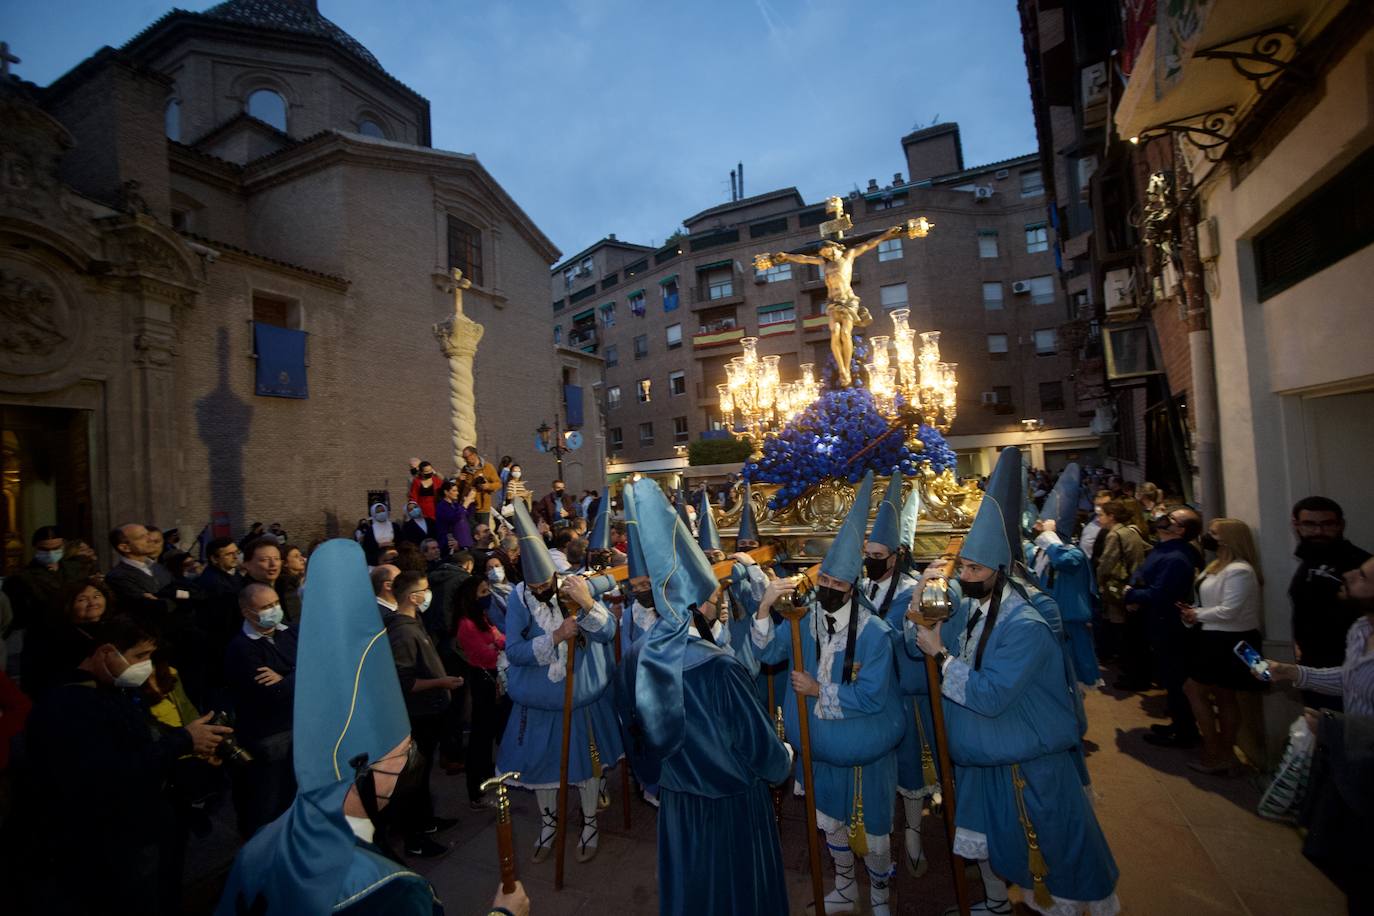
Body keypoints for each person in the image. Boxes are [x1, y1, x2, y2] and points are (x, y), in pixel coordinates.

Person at [215, 539, 528, 915]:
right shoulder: (390, 890)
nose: (403, 768)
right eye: (398, 757)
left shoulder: (259, 847)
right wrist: (505, 913)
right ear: (360, 770)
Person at [912, 485, 1120, 916]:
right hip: (996, 759)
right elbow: (921, 632)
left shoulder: (1022, 624)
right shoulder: (978, 608)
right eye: (962, 567)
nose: (963, 576)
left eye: (972, 569)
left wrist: (942, 655)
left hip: (1031, 765)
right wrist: (921, 593)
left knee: (1052, 859)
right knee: (1005, 851)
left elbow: (989, 695)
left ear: (1000, 572)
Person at [615, 478, 793, 916]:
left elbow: (635, 737)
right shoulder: (717, 667)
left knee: (693, 894)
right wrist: (784, 755)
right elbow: (762, 751)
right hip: (731, 809)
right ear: (695, 604)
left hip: (678, 808)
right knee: (735, 894)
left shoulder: (636, 654)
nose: (718, 601)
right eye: (712, 595)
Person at [751, 471, 906, 916]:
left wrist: (820, 689)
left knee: (873, 829)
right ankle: (844, 886)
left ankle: (879, 897)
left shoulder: (875, 633)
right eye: (825, 585)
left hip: (866, 747)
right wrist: (764, 608)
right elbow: (767, 652)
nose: (829, 592)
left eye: (839, 587)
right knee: (830, 820)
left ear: (853, 587)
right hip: (819, 746)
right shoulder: (806, 618)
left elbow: (875, 695)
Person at [25, 616, 233, 915]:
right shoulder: (67, 705)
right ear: (106, 652)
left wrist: (198, 753)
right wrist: (182, 741)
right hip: (112, 843)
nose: (146, 665)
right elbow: (108, 774)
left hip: (150, 830)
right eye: (139, 656)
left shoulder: (113, 692)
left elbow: (143, 748)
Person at [496, 499, 624, 865]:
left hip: (580, 700)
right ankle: (548, 824)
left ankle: (588, 824)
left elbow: (609, 631)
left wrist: (586, 605)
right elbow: (516, 652)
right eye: (533, 585)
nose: (539, 590)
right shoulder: (520, 600)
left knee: (585, 768)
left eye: (544, 584)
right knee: (541, 769)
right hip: (537, 705)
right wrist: (553, 638)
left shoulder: (575, 588)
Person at [1261, 555, 1374, 913]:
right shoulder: (1361, 629)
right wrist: (1293, 673)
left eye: (1363, 575)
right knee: (1335, 852)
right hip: (1354, 762)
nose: (1349, 573)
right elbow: (1348, 679)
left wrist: (1330, 725)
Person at [863, 472, 936, 877]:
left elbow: (913, 644)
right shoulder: (858, 586)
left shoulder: (912, 590)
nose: (870, 561)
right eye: (867, 553)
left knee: (909, 767)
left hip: (904, 693)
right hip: (871, 691)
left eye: (878, 555)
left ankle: (913, 833)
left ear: (896, 555)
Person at [1177, 518, 1265, 774]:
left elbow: (1230, 610)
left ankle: (1218, 751)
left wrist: (1197, 615)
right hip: (1213, 636)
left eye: (1214, 533)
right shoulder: (1216, 565)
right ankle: (1220, 751)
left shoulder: (1240, 570)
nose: (1208, 536)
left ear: (1229, 538)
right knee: (1221, 695)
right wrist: (1192, 613)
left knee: (1200, 691)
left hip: (1230, 640)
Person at [385, 569, 462, 857]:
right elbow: (405, 681)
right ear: (413, 596)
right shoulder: (402, 631)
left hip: (432, 710)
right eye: (425, 589)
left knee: (424, 772)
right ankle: (414, 838)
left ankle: (427, 821)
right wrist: (442, 682)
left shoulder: (414, 622)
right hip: (419, 714)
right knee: (413, 778)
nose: (429, 594)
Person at [223, 583, 299, 837]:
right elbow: (271, 692)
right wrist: (297, 675)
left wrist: (287, 677)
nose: (274, 610)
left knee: (292, 797)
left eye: (275, 603)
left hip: (297, 726)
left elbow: (319, 668)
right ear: (247, 612)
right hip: (268, 735)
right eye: (266, 607)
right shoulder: (242, 649)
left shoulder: (291, 632)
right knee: (266, 803)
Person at [1127, 506, 1204, 748]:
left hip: (1169, 626)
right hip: (1159, 622)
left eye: (1170, 518)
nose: (1162, 518)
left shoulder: (1177, 557)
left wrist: (1132, 595)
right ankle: (1179, 725)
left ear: (1180, 529)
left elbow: (1161, 593)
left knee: (1176, 679)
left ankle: (1185, 732)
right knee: (1171, 678)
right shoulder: (1167, 550)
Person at [1288, 496, 1370, 711]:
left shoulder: (1359, 564)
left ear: (1340, 524)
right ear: (1296, 525)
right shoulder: (1308, 561)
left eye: (1327, 524)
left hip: (1349, 671)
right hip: (1312, 667)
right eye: (1310, 524)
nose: (1318, 531)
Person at [1030, 463, 1102, 686]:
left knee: (1072, 672)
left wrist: (1050, 537)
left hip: (1069, 622)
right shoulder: (1042, 551)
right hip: (1048, 619)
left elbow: (1064, 561)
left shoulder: (1073, 554)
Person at [454, 575, 510, 808]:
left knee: (492, 733)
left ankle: (493, 778)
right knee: (481, 738)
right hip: (483, 680)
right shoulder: (466, 624)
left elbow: (502, 640)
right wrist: (496, 644)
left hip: (494, 677)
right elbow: (487, 652)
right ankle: (478, 789)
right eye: (483, 592)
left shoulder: (482, 619)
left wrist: (496, 644)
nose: (488, 596)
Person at [20, 577, 112, 697]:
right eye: (82, 599)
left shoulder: (112, 628)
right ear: (68, 604)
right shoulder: (48, 636)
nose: (92, 603)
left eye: (97, 596)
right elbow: (37, 679)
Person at [1096, 500, 1149, 685]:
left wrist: (1098, 582)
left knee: (1122, 632)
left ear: (1111, 517)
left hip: (1119, 587)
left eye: (1101, 514)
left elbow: (1106, 563)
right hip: (1133, 584)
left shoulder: (1115, 535)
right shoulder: (1131, 532)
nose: (1099, 518)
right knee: (1130, 633)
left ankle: (1130, 673)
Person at [2, 526, 70, 645]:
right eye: (44, 549)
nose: (50, 553)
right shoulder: (20, 579)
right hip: (41, 638)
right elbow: (13, 618)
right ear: (35, 548)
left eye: (55, 548)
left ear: (63, 546)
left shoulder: (76, 569)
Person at [104, 523, 173, 621]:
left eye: (148, 534)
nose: (151, 539)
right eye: (142, 537)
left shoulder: (159, 568)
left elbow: (184, 591)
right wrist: (180, 598)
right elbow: (153, 608)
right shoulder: (117, 577)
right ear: (125, 548)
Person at [460, 446, 502, 527]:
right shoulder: (465, 469)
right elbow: (461, 488)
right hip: (469, 507)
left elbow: (498, 484)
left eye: (466, 457)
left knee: (483, 533)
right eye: (463, 458)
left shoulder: (488, 467)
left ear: (474, 455)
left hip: (483, 508)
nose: (465, 460)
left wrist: (488, 486)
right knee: (471, 532)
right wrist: (459, 480)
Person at [434, 478, 475, 556]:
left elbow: (467, 515)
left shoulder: (455, 505)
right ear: (446, 492)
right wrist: (465, 504)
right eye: (454, 491)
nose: (457, 493)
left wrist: (470, 502)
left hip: (464, 541)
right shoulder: (441, 506)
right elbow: (454, 518)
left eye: (457, 490)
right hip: (451, 544)